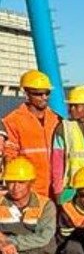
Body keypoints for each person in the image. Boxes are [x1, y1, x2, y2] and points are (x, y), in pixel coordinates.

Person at [0, 157, 61, 254]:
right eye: (11, 182)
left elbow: (43, 238)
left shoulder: (46, 205)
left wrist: (10, 242)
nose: (15, 187)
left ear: (31, 183)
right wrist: (2, 241)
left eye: (21, 182)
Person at [1, 70, 61, 199]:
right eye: (39, 94)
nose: (44, 97)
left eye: (47, 93)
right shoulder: (12, 121)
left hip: (55, 190)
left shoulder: (57, 120)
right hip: (29, 190)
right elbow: (10, 156)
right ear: (27, 94)